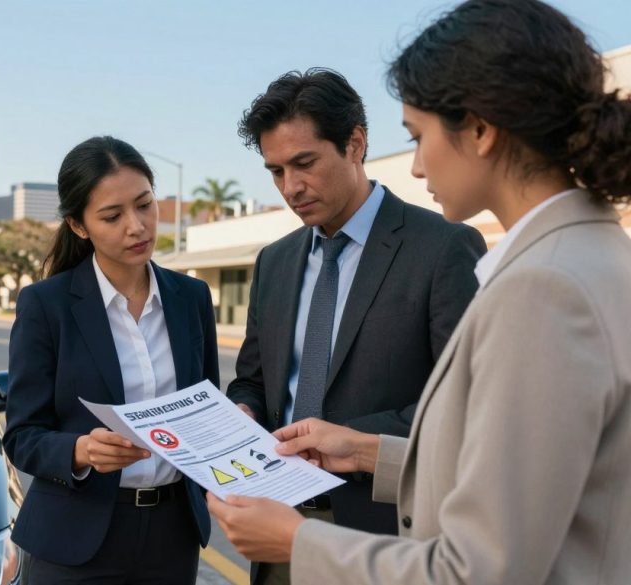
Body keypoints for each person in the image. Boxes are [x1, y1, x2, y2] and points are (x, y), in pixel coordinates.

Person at [209, 1, 631, 583]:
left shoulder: (543, 286)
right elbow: (505, 471)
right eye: (276, 172)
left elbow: (479, 569)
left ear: (480, 129)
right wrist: (361, 451)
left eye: (418, 135)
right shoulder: (588, 256)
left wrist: (300, 540)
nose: (414, 166)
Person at [226, 68, 485, 583]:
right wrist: (243, 409)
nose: (291, 188)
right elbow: (252, 378)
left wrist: (352, 441)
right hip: (278, 528)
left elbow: (467, 405)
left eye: (304, 163)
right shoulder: (274, 263)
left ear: (355, 144)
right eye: (275, 171)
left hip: (387, 536)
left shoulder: (442, 248)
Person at [3, 136, 219, 584]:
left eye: (144, 205)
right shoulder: (47, 305)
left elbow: (206, 406)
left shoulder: (191, 298)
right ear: (79, 226)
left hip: (171, 536)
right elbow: (22, 435)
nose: (137, 226)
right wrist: (80, 451)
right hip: (73, 540)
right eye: (112, 216)